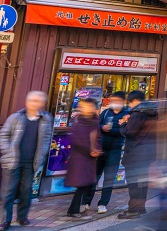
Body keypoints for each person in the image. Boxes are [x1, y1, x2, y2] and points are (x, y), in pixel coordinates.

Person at [0, 91, 53, 230]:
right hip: (12, 161)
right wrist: (7, 151)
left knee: (26, 191)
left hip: (31, 163)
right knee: (8, 192)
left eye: (38, 101)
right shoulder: (16, 117)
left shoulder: (46, 119)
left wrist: (42, 154)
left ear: (42, 103)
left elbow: (47, 139)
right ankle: (5, 220)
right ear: (27, 102)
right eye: (32, 100)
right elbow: (3, 135)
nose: (35, 103)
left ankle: (22, 217)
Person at [83, 91, 129, 213]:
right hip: (100, 149)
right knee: (94, 176)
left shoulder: (127, 114)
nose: (113, 103)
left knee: (109, 179)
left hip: (115, 150)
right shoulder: (106, 112)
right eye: (112, 101)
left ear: (123, 102)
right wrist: (102, 127)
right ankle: (86, 202)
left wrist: (113, 129)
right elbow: (95, 125)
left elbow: (126, 132)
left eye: (116, 101)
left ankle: (103, 203)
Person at [118, 90, 158, 219]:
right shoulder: (153, 113)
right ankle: (141, 208)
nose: (130, 106)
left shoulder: (137, 114)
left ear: (134, 101)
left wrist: (123, 124)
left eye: (130, 103)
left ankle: (133, 210)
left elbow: (130, 132)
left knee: (134, 182)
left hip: (135, 153)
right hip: (148, 153)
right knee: (142, 181)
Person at [65, 98, 102, 218]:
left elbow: (98, 137)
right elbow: (75, 140)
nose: (87, 109)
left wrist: (96, 149)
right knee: (82, 184)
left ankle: (76, 208)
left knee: (85, 184)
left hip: (89, 158)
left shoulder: (95, 121)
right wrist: (90, 150)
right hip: (80, 158)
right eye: (85, 106)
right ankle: (73, 210)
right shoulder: (78, 121)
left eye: (90, 106)